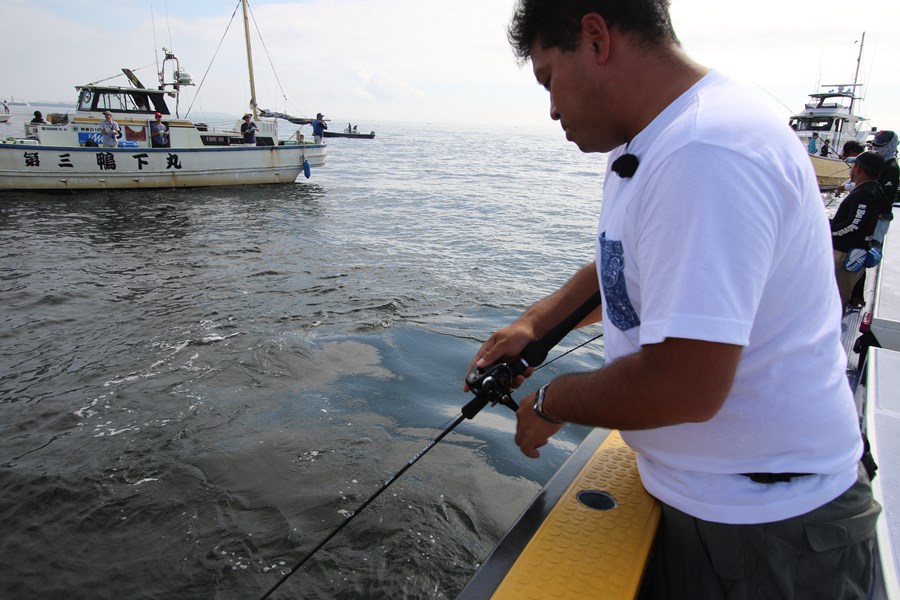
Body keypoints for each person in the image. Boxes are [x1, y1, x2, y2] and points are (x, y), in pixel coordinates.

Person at [467, 1, 880, 597]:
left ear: (595, 37)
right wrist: (533, 325)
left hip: (769, 530)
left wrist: (552, 402)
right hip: (709, 500)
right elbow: (625, 267)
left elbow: (683, 384)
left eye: (549, 79)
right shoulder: (647, 141)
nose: (552, 108)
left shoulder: (704, 152)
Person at [831, 151, 886, 309]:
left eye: (854, 165)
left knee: (835, 299)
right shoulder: (875, 189)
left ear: (858, 169)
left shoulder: (865, 193)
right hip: (855, 252)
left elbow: (854, 224)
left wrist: (829, 232)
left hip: (844, 254)